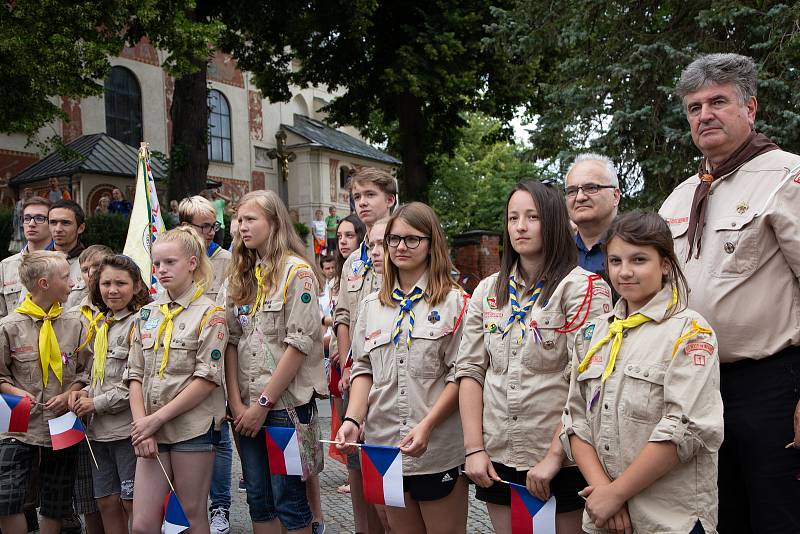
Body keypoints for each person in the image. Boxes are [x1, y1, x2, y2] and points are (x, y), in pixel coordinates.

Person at [659, 53, 800, 534]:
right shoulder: (679, 198)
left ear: (751, 108)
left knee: (780, 516)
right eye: (695, 107)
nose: (705, 115)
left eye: (718, 101)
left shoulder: (786, 178)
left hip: (774, 388)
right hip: (698, 390)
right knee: (720, 517)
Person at [456, 180, 611, 534]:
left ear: (554, 222)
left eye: (532, 217)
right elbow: (470, 371)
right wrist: (474, 449)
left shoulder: (584, 288)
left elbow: (587, 383)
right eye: (513, 218)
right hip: (499, 454)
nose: (520, 227)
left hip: (559, 460)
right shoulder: (488, 290)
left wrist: (554, 456)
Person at [562, 212, 723, 533]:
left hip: (667, 519)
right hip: (606, 516)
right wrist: (606, 494)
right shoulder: (595, 333)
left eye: (639, 260)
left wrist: (618, 492)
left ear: (665, 263)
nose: (625, 272)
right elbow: (573, 419)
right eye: (615, 261)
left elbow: (685, 429)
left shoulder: (690, 333)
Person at [338, 203, 470, 533]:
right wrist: (353, 419)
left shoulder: (454, 302)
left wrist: (427, 426)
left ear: (431, 244)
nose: (399, 247)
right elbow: (363, 369)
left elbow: (461, 375)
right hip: (385, 449)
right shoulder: (371, 306)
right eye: (394, 239)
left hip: (437, 449)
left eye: (412, 239)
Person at [223, 189, 327, 534]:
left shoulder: (297, 273)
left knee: (290, 501)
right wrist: (237, 403)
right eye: (238, 219)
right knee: (258, 498)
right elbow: (232, 340)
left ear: (274, 222)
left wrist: (262, 404)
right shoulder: (243, 274)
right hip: (246, 406)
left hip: (284, 407)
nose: (241, 226)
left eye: (250, 219)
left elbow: (298, 345)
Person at [126, 226, 228, 534]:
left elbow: (206, 379)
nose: (161, 270)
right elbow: (134, 375)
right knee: (143, 523)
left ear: (193, 263)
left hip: (191, 428)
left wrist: (154, 420)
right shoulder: (145, 314)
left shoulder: (211, 314)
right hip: (151, 429)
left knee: (189, 516)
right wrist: (142, 426)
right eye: (157, 264)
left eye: (170, 262)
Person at [0, 250, 91, 534]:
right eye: (66, 277)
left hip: (63, 416)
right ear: (44, 284)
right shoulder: (8, 327)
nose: (73, 282)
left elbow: (87, 371)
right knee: (6, 496)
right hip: (14, 414)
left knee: (57, 498)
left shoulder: (76, 324)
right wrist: (14, 390)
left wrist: (72, 392)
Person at [333, 168, 397, 534]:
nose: (362, 203)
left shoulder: (403, 243)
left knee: (388, 477)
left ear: (389, 199)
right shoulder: (355, 259)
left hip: (390, 377)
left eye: (369, 195)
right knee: (357, 469)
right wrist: (345, 364)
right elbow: (343, 314)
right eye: (357, 197)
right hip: (358, 374)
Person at [69, 255, 151, 532]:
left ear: (137, 286)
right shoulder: (102, 323)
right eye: (106, 283)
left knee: (132, 502)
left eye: (120, 283)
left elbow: (136, 381)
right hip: (98, 432)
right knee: (106, 501)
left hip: (126, 431)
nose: (112, 290)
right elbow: (100, 374)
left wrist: (96, 403)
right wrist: (84, 394)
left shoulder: (140, 323)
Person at [177, 195, 233, 533]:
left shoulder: (226, 259)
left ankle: (221, 506)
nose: (211, 232)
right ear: (185, 225)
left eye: (213, 225)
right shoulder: (171, 254)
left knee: (219, 432)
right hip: (182, 358)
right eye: (203, 226)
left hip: (218, 356)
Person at [70, 245, 115, 534]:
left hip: (113, 406)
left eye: (97, 267)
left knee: (119, 491)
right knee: (88, 490)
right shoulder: (73, 312)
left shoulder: (123, 310)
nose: (91, 274)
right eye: (85, 269)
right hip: (82, 405)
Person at [565, 154, 621, 279]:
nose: (580, 197)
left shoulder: (638, 246)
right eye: (572, 191)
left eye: (591, 188)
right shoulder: (558, 253)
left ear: (615, 196)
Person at [0, 196, 53, 317]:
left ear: (52, 223)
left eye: (39, 218)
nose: (32, 224)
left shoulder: (65, 263)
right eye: (27, 218)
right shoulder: (5, 266)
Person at [48, 200, 87, 309]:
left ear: (80, 228)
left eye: (65, 223)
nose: (58, 229)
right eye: (53, 222)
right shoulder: (36, 264)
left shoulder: (94, 265)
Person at [10, 188, 33, 253]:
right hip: (21, 226)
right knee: (23, 241)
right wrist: (14, 227)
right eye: (27, 193)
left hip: (31, 225)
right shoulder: (19, 203)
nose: (28, 195)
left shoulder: (33, 203)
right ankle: (24, 254)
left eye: (30, 194)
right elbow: (15, 215)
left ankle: (30, 253)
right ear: (24, 194)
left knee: (31, 240)